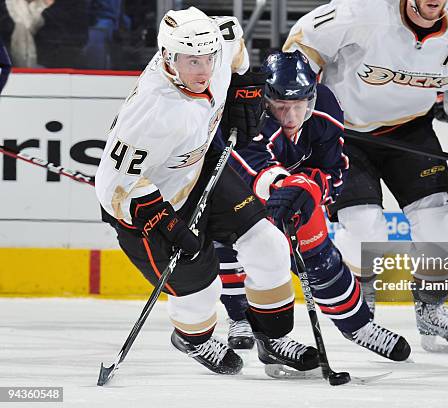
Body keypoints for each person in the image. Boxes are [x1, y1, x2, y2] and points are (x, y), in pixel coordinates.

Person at [95, 7, 319, 376]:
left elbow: (235, 44)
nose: (203, 71)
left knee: (270, 245)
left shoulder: (219, 42)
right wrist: (162, 219)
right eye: (192, 61)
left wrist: (244, 87)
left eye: (208, 59)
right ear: (169, 59)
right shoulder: (151, 112)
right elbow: (112, 189)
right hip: (149, 209)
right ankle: (194, 340)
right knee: (201, 291)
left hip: (198, 169)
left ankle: (272, 339)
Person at [282, 0, 448, 353]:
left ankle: (431, 308)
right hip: (344, 133)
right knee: (366, 227)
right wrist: (297, 103)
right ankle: (360, 302)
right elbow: (303, 44)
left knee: (439, 219)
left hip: (409, 132)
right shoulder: (363, 12)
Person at [218, 50, 411, 361]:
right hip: (240, 191)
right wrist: (285, 185)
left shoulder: (325, 104)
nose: (291, 117)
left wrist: (309, 189)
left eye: (298, 106)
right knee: (237, 246)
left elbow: (334, 169)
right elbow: (250, 164)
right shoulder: (249, 111)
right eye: (281, 107)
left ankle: (358, 325)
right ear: (267, 101)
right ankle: (249, 323)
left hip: (294, 190)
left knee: (318, 254)